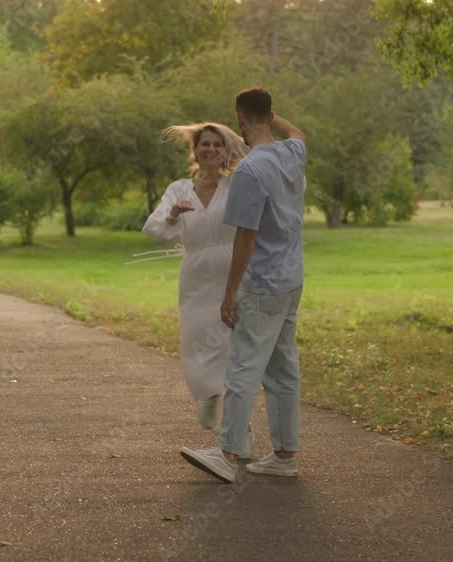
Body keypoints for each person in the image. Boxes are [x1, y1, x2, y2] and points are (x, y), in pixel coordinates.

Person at [180, 87, 307, 483]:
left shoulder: (250, 171)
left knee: (241, 368)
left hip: (263, 282)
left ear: (239, 118)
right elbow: (298, 133)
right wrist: (271, 113)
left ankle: (228, 453)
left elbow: (246, 236)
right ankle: (285, 456)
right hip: (291, 280)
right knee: (283, 369)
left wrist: (230, 291)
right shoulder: (291, 153)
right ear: (270, 116)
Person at [141, 123, 252, 437]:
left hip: (234, 270)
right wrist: (174, 215)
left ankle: (240, 429)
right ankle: (207, 393)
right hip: (196, 272)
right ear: (196, 150)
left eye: (218, 144)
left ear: (224, 149)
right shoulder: (179, 189)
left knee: (234, 347)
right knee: (196, 339)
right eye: (205, 144)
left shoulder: (235, 186)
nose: (211, 150)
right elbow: (155, 229)